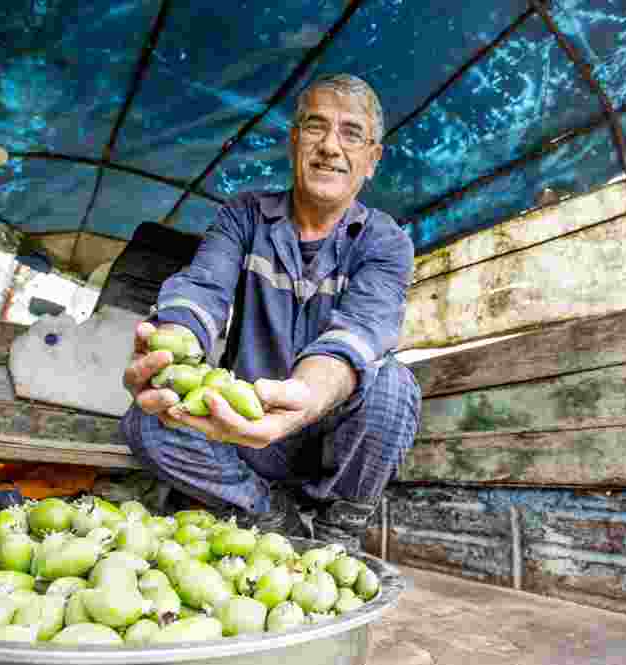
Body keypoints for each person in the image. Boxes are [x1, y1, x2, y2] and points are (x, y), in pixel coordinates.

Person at [121, 74, 421, 552]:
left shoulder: (385, 242)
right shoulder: (244, 215)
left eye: (351, 133)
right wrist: (174, 337)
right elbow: (203, 287)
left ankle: (338, 527)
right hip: (240, 426)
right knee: (146, 419)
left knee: (393, 386)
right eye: (315, 126)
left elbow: (360, 333)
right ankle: (264, 510)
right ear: (294, 140)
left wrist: (302, 395)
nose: (330, 147)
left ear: (372, 159)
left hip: (326, 439)